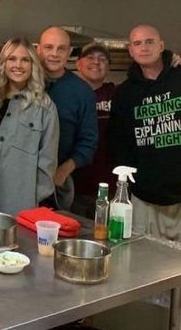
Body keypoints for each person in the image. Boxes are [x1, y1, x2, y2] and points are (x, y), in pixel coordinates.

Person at [109, 24, 181, 241]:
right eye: (137, 43)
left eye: (150, 41)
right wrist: (135, 180)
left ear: (161, 45)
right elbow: (118, 141)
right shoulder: (124, 93)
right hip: (144, 196)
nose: (144, 48)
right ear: (130, 51)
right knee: (146, 261)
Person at [0, 38, 59, 215]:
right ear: (3, 63)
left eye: (25, 60)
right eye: (12, 59)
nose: (18, 65)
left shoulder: (45, 107)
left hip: (19, 206)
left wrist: (32, 202)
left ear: (33, 65)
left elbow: (48, 163)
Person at [37, 26, 98, 210]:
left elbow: (88, 143)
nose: (54, 54)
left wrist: (63, 172)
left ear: (69, 52)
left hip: (57, 186)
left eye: (61, 48)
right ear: (38, 49)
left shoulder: (82, 92)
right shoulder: (24, 83)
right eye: (48, 47)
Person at [72, 42, 116, 218]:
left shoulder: (118, 94)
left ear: (109, 67)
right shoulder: (70, 94)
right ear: (78, 64)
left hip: (110, 187)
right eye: (90, 57)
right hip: (74, 187)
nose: (96, 62)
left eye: (102, 59)